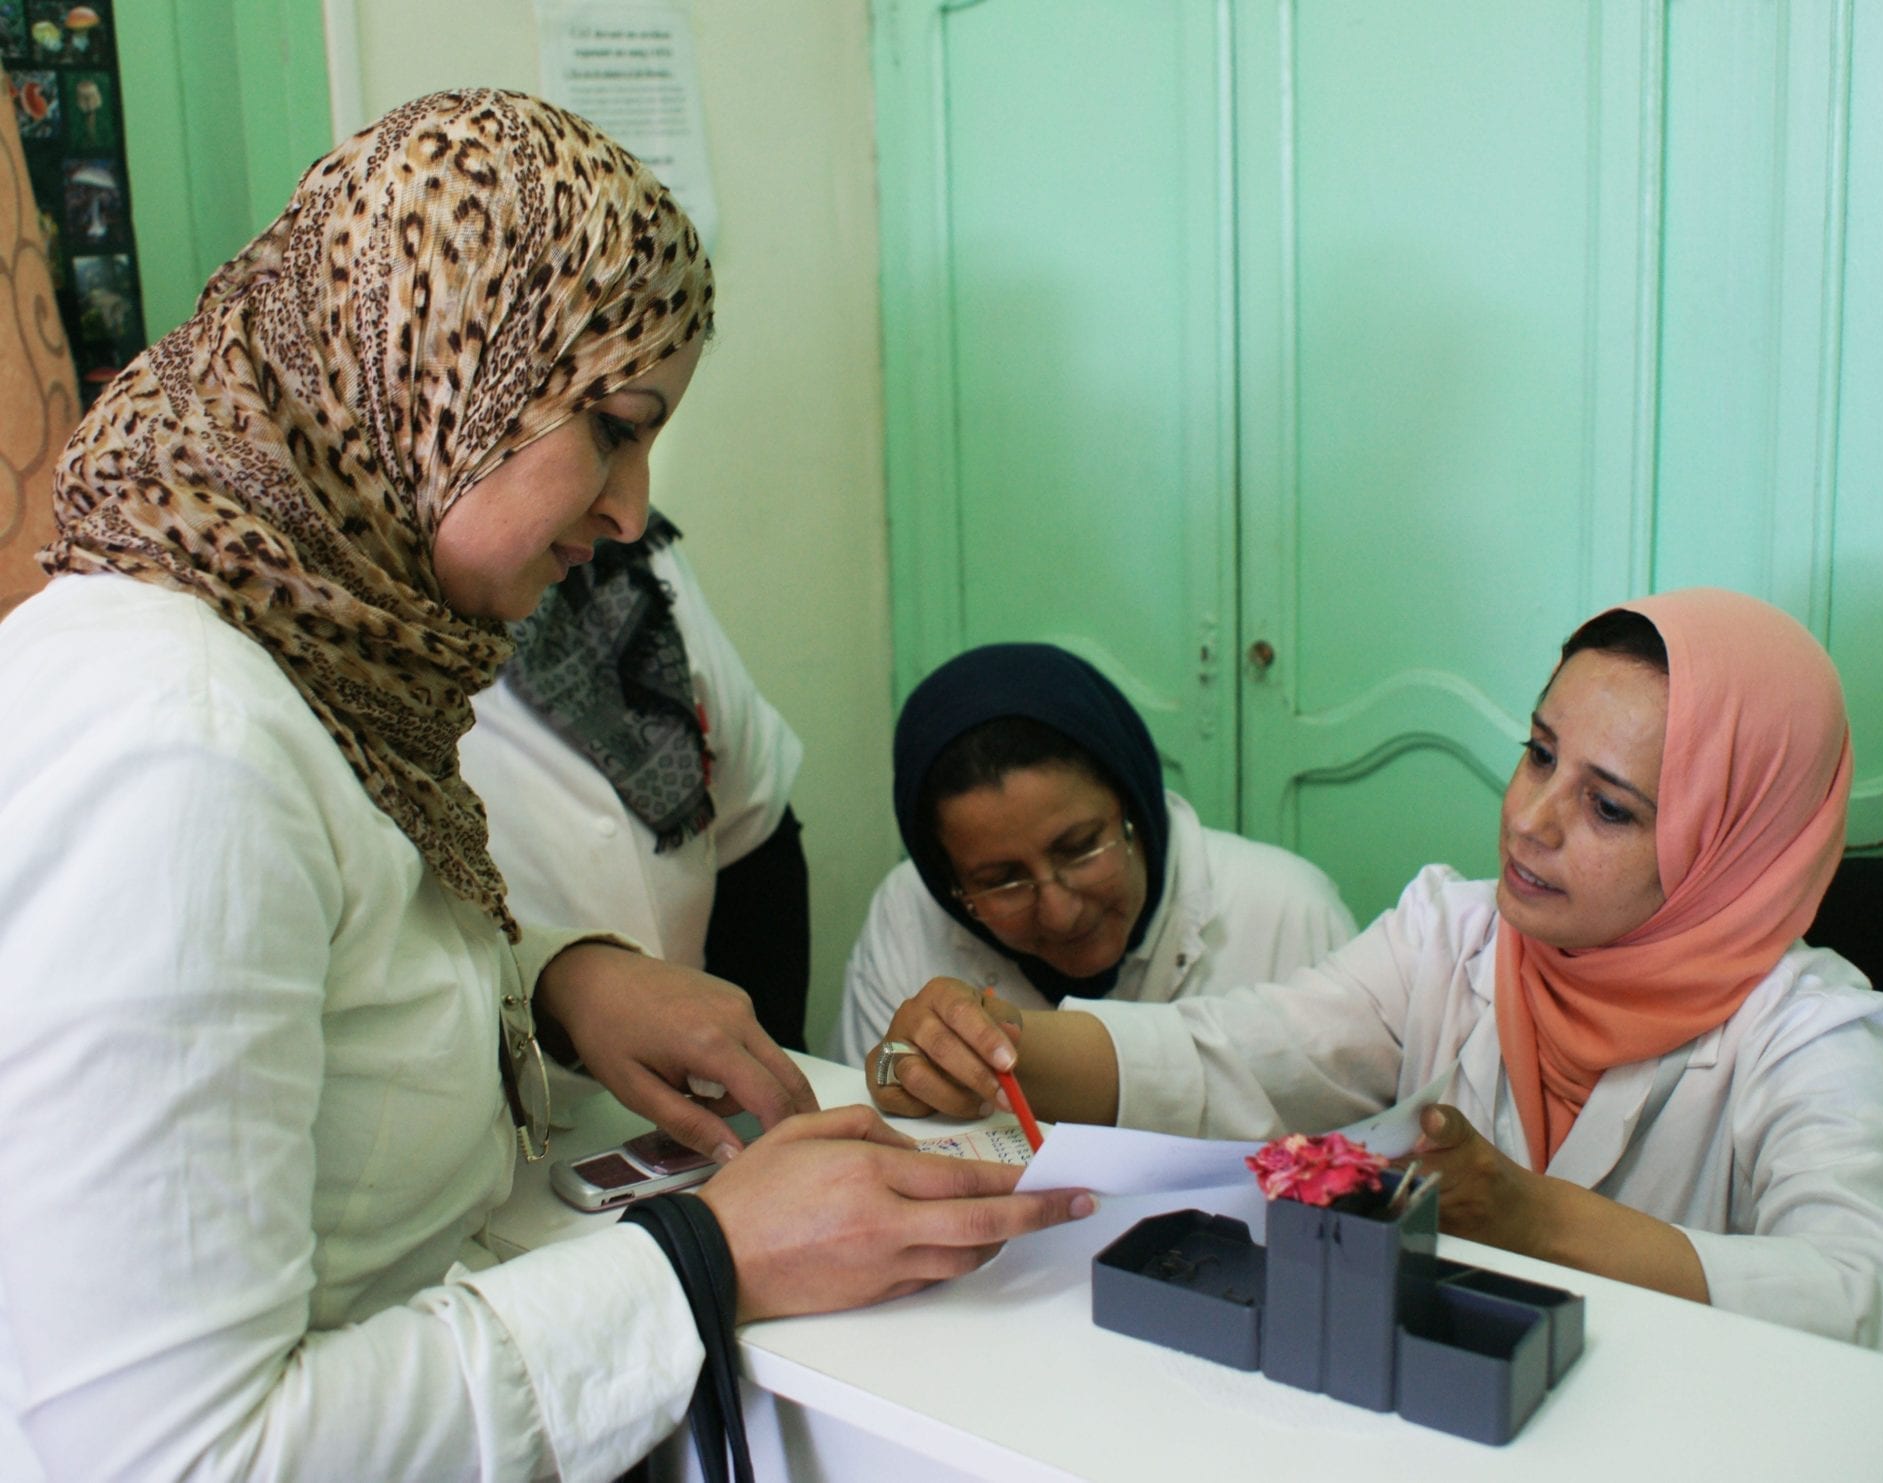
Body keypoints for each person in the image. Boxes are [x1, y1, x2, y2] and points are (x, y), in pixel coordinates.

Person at [0, 90, 1090, 1482]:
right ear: (429, 364)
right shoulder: (177, 744)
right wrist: (702, 1254)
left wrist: (558, 977)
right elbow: (181, 1455)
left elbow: (305, 968)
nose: (633, 510)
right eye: (615, 427)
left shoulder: (303, 649)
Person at [869, 590, 1883, 1362]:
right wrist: (1000, 1042)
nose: (1528, 821)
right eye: (1537, 754)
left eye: (1608, 806)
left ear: (1733, 839)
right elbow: (1245, 1049)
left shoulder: (1806, 1028)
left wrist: (1540, 1221)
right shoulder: (1453, 929)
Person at [834, 641, 1357, 1076]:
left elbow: (1370, 1154)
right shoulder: (909, 913)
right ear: (947, 880)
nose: (1060, 913)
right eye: (1001, 882)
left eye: (1081, 847)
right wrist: (899, 1078)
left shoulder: (1288, 914)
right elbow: (868, 1108)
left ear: (1132, 802)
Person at [460, 513, 814, 1050]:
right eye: (609, 435)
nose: (633, 509)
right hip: (482, 1106)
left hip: (691, 1093)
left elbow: (753, 839)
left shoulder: (625, 559)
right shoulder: (320, 637)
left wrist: (768, 1088)